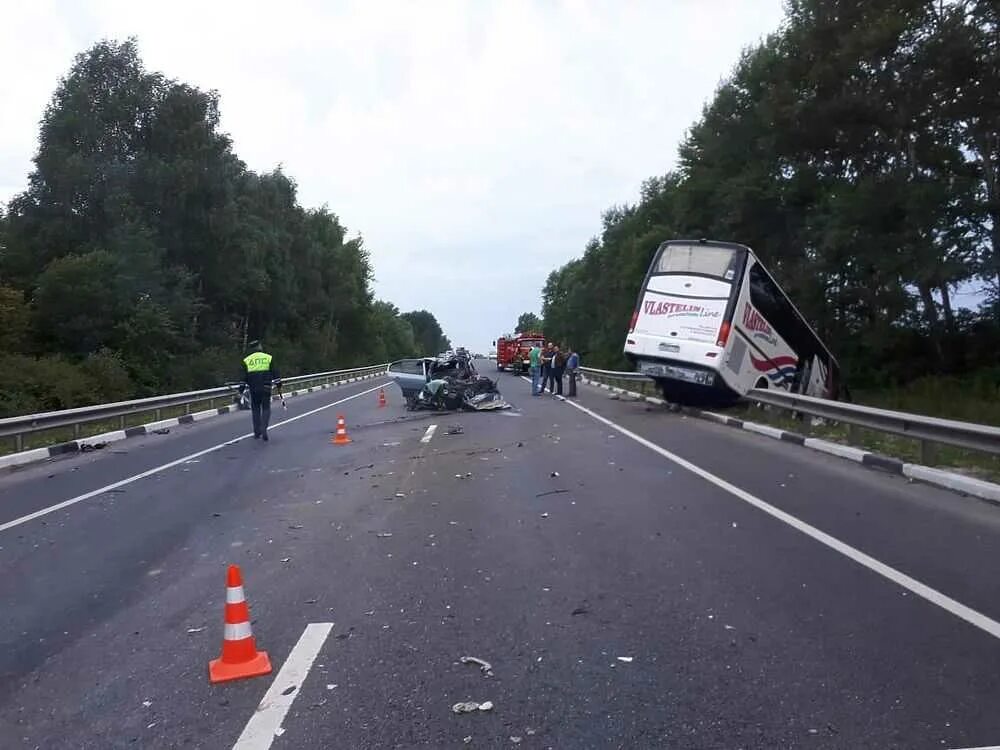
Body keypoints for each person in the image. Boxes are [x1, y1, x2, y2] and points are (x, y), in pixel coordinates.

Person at [240, 340, 281, 441]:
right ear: (259, 347)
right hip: (266, 387)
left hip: (254, 389)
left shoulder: (247, 360)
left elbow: (243, 377)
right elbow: (275, 372)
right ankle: (264, 428)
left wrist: (240, 390)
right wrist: (279, 384)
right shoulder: (268, 357)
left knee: (256, 410)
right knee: (266, 408)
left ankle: (257, 432)